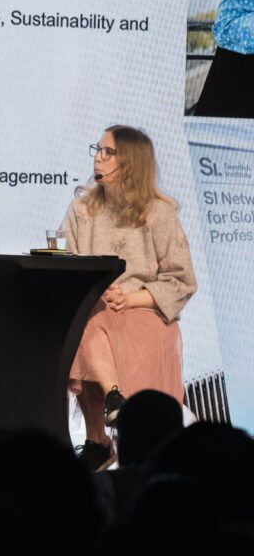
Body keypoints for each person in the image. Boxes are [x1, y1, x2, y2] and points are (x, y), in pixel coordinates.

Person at [63, 125, 197, 469]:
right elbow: (70, 264)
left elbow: (182, 280)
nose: (99, 157)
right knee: (88, 322)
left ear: (132, 163)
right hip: (96, 307)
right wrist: (92, 287)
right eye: (98, 149)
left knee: (90, 328)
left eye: (109, 152)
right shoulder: (82, 210)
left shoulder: (158, 213)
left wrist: (133, 298)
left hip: (145, 312)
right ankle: (112, 400)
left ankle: (99, 439)